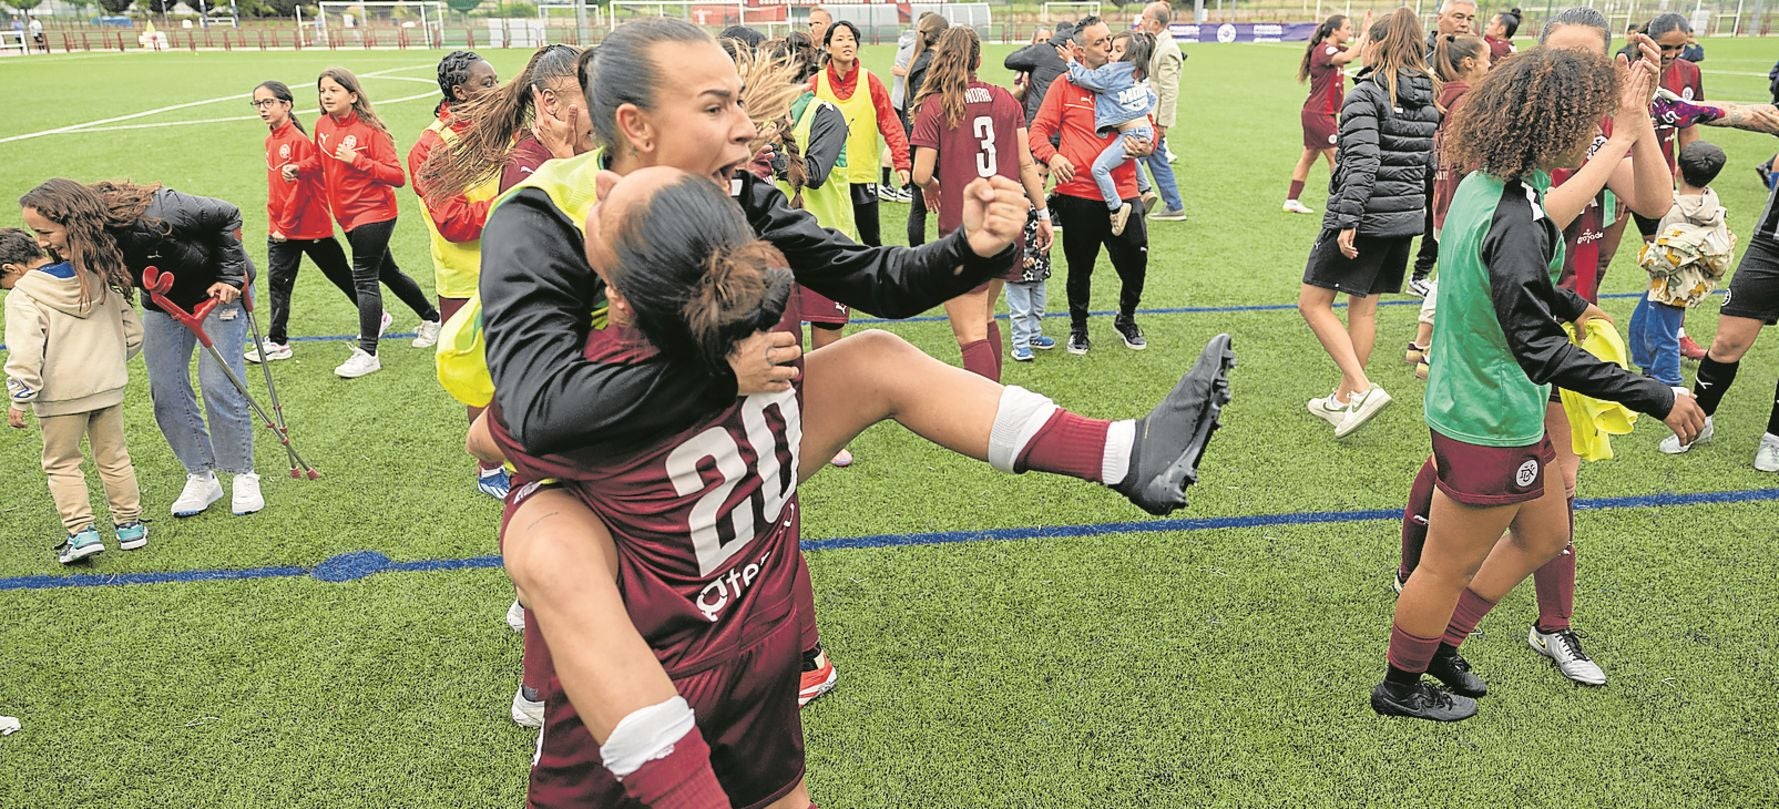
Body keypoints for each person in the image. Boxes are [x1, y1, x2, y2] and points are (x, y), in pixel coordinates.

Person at [485, 160, 1232, 809]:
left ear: (617, 300)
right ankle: (1116, 452)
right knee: (781, 794)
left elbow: (493, 432)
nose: (601, 188)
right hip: (758, 616)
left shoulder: (582, 383)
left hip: (656, 651)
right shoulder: (763, 297)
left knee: (544, 532)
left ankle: (1120, 453)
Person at [1373, 46, 1705, 722]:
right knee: (1441, 567)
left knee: (1545, 533)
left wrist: (1569, 301)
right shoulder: (1514, 213)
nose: (1588, 130)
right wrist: (1656, 394)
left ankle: (1442, 644)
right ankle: (1399, 686)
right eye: (1583, 120)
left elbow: (1517, 256)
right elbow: (1537, 349)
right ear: (1552, 125)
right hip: (1487, 418)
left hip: (1477, 401)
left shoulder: (1489, 185)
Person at [417, 42, 589, 731]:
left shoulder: (548, 159)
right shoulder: (531, 176)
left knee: (551, 520)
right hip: (542, 383)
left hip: (545, 380)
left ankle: (529, 602)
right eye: (589, 93)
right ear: (549, 103)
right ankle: (540, 688)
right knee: (552, 519)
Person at [21, 178, 264, 518]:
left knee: (218, 383)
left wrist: (229, 277)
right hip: (163, 300)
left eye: (45, 232)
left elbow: (227, 214)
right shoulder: (76, 243)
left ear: (71, 220)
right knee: (165, 387)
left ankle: (242, 473)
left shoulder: (158, 210)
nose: (41, 241)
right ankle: (201, 475)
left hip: (218, 290)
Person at [1298, 8, 1438, 439]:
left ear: (1376, 44)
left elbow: (1362, 162)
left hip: (1368, 217)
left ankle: (1360, 388)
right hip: (1403, 220)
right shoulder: (1429, 94)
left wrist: (1347, 219)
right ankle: (1342, 400)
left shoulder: (1366, 93)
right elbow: (1427, 165)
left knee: (1312, 302)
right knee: (1365, 307)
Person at [911, 26, 1054, 381]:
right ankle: (994, 405)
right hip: (1006, 223)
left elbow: (919, 173)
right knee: (986, 316)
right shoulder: (1005, 99)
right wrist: (1043, 213)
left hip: (966, 229)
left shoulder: (936, 105)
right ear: (978, 59)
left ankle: (987, 417)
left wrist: (930, 184)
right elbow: (1025, 164)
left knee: (970, 333)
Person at [1, 228, 145, 563]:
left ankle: (82, 534)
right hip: (107, 388)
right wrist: (107, 364)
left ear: (12, 269)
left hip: (59, 397)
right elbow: (134, 333)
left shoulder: (23, 295)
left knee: (63, 464)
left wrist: (19, 398)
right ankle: (130, 527)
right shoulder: (96, 275)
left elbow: (25, 352)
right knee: (114, 457)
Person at [305, 67, 443, 380]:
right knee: (388, 272)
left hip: (374, 214)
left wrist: (359, 161)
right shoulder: (322, 125)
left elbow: (397, 176)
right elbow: (321, 158)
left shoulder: (370, 131)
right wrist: (299, 168)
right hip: (346, 216)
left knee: (364, 277)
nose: (326, 96)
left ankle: (368, 352)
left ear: (353, 96)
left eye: (334, 90)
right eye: (323, 90)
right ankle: (432, 318)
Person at [1030, 16, 1154, 356]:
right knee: (1079, 267)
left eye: (1109, 39)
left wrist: (1148, 144)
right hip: (1078, 196)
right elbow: (1037, 131)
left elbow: (1149, 128)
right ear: (1080, 51)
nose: (1108, 46)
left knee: (1136, 260)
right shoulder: (1064, 86)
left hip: (1126, 191)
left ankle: (1126, 318)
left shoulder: (1129, 79)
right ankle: (1079, 328)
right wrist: (1052, 158)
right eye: (1099, 42)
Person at [408, 51, 503, 494]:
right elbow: (454, 222)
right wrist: (521, 198)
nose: (495, 89)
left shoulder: (501, 129)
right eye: (485, 84)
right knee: (478, 376)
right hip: (467, 282)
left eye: (496, 81)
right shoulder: (431, 146)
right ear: (458, 91)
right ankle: (490, 468)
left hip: (517, 267)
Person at [248, 79, 357, 364]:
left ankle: (376, 315)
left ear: (286, 105)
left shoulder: (297, 141)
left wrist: (284, 226)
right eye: (258, 103)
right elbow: (279, 189)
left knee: (340, 275)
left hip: (307, 226)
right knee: (278, 282)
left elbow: (301, 189)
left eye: (268, 102)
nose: (262, 109)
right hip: (283, 228)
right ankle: (278, 341)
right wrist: (276, 222)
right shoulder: (271, 140)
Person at [1404, 33, 1492, 379]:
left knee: (1447, 277)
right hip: (1462, 206)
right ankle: (1430, 355)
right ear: (1469, 62)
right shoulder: (1468, 104)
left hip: (1443, 201)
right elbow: (1471, 162)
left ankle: (1420, 343)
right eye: (1487, 58)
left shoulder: (1445, 98)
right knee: (1461, 282)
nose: (1491, 65)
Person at [1630, 141, 1733, 387]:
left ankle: (1668, 384)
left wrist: (1645, 255)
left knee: (1662, 336)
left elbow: (1664, 259)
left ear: (1677, 170)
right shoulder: (1711, 203)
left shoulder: (1674, 210)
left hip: (1669, 287)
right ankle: (1648, 371)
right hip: (1685, 283)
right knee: (1641, 325)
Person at [1408, 0, 1477, 294]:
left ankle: (1428, 276)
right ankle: (1422, 276)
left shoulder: (1474, 49)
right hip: (1427, 146)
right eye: (1458, 16)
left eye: (1469, 18)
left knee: (1445, 213)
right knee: (1432, 212)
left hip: (1456, 151)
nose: (1464, 23)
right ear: (1440, 18)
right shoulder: (1421, 53)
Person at [1065, 29, 1155, 237]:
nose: (1110, 53)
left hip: (1131, 131)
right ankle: (1146, 189)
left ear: (1129, 55)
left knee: (1099, 168)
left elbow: (1088, 79)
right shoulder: (1136, 71)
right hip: (1142, 129)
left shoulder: (1112, 73)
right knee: (1127, 156)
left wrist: (1071, 61)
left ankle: (1116, 208)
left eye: (1116, 49)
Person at [1285, 13, 1366, 215]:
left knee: (1308, 157)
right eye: (1347, 28)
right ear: (1334, 30)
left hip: (1318, 113)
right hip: (1319, 114)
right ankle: (1343, 205)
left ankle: (1292, 200)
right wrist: (1365, 34)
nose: (1349, 31)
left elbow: (1356, 52)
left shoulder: (1333, 49)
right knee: (1336, 158)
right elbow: (1348, 57)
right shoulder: (1325, 50)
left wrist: (1367, 35)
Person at [900, 13, 948, 247]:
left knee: (918, 205)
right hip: (932, 143)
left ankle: (915, 256)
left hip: (914, 140)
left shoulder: (915, 62)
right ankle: (944, 258)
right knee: (945, 204)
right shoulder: (934, 66)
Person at [1136, 2, 1186, 221]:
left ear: (1155, 23)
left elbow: (1169, 90)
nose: (1141, 21)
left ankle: (1130, 200)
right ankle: (1173, 205)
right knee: (1155, 160)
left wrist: (1162, 123)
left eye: (1145, 18)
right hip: (1148, 115)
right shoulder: (1156, 43)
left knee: (1132, 159)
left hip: (1153, 119)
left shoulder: (1167, 50)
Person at [1004, 22, 1073, 130]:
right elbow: (1013, 96)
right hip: (1027, 118)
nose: (1044, 44)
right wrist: (1023, 87)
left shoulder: (1061, 61)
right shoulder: (1023, 65)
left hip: (1044, 120)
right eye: (1040, 41)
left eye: (1047, 41)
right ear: (1033, 43)